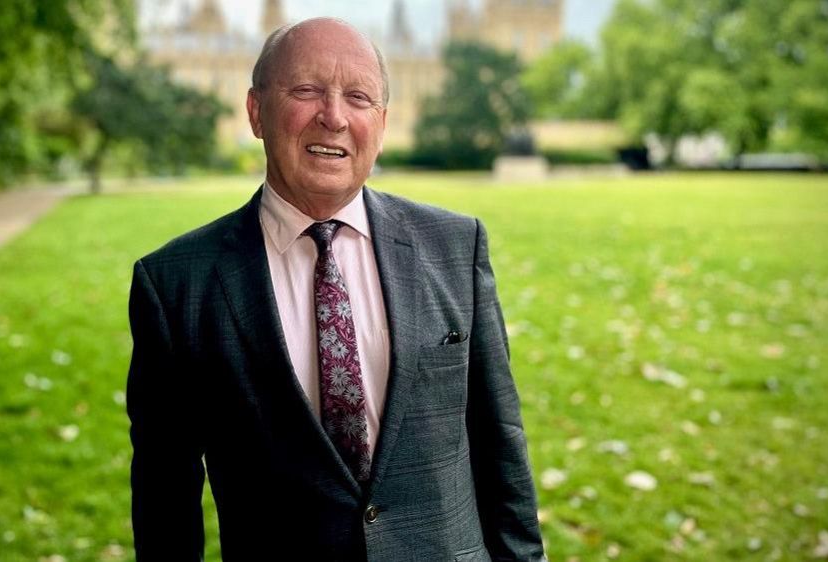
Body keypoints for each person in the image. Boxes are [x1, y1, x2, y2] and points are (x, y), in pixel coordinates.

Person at [126, 17, 546, 562]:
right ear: (256, 111)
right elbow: (165, 507)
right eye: (305, 91)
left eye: (358, 97)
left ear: (382, 121)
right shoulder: (177, 284)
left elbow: (501, 446)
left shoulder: (455, 246)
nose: (334, 117)